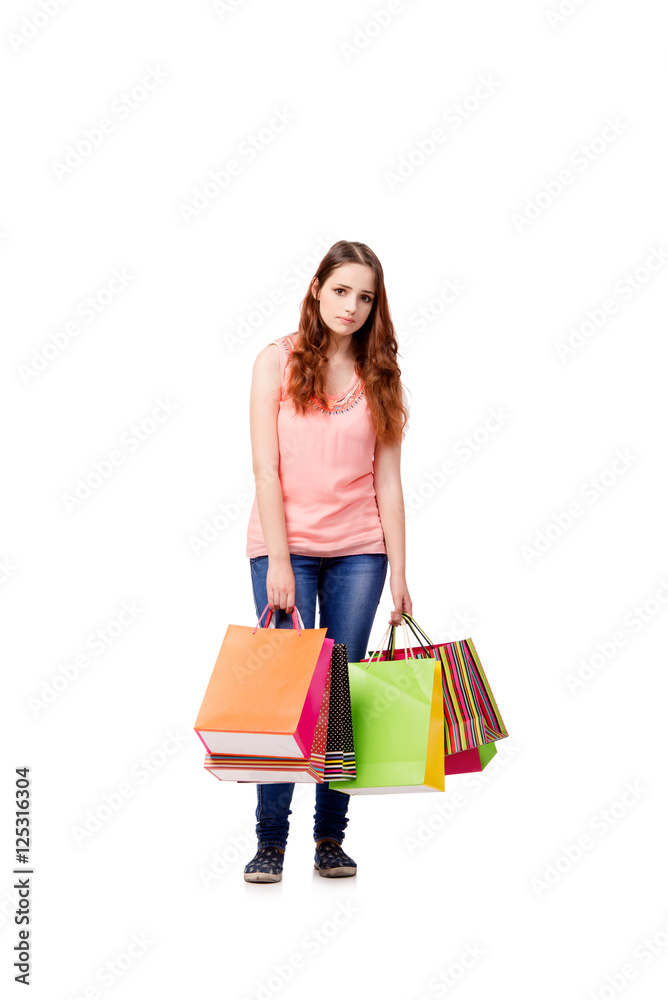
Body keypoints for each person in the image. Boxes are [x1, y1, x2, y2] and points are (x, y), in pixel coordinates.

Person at [243, 239, 412, 883]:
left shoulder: (381, 374)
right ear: (317, 289)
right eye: (341, 290)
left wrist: (399, 569)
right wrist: (279, 561)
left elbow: (388, 481)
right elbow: (266, 469)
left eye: (365, 297)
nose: (352, 306)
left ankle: (330, 839)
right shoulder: (275, 361)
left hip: (359, 552)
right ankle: (269, 842)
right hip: (283, 549)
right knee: (288, 696)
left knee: (339, 695)